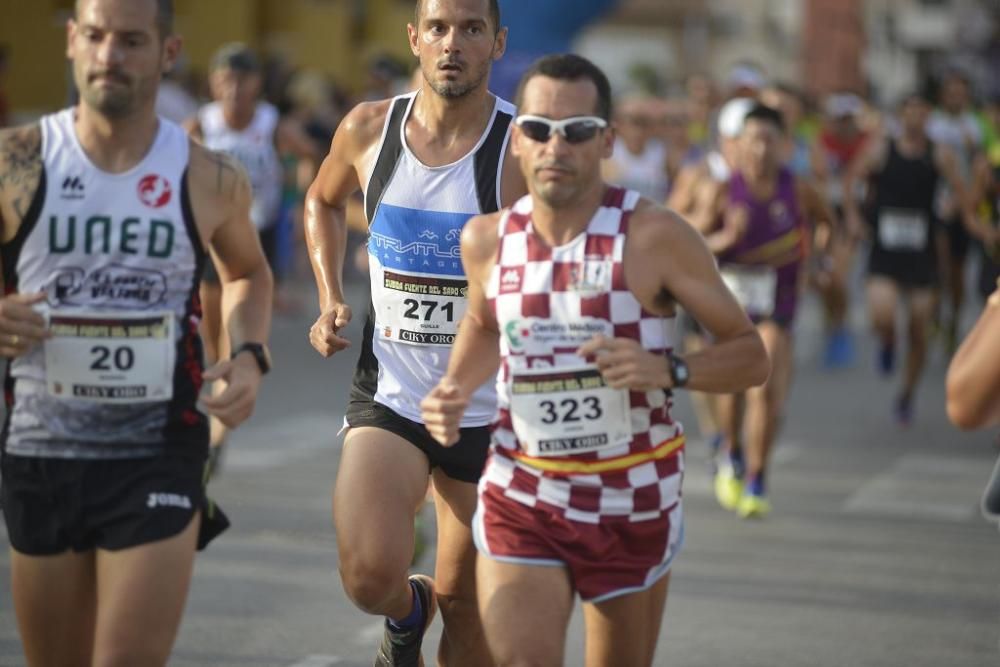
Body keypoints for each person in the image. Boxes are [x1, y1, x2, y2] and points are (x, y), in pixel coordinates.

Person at [421, 53, 769, 667]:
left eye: (577, 131)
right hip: (522, 489)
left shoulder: (654, 236)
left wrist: (669, 370)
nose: (556, 147)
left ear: (606, 140)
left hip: (629, 496)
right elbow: (479, 324)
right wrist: (453, 387)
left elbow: (750, 356)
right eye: (537, 129)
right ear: (517, 140)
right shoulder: (487, 240)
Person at [0, 0, 273, 665]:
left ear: (168, 52)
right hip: (42, 451)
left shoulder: (209, 176)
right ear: (71, 42)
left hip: (160, 448)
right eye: (94, 37)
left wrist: (247, 354)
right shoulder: (18, 162)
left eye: (130, 41)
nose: (108, 56)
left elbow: (247, 273)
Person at [304, 0, 524, 664]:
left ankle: (442, 609)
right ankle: (408, 612)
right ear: (415, 39)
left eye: (471, 29)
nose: (452, 43)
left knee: (471, 615)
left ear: (497, 43)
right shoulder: (369, 128)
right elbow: (321, 198)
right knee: (370, 575)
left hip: (491, 413)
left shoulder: (522, 150)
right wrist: (328, 295)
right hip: (392, 394)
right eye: (438, 28)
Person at [701, 103, 835, 517]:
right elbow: (694, 244)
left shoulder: (798, 188)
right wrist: (727, 236)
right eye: (752, 140)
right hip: (729, 304)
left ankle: (757, 478)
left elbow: (827, 221)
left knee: (766, 386)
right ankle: (731, 448)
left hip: (778, 303)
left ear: (783, 146)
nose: (760, 149)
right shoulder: (722, 190)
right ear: (738, 146)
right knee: (733, 391)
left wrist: (819, 261)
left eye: (769, 140)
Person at [185, 43, 313, 471]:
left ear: (256, 85)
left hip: (255, 236)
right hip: (210, 236)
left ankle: (217, 433)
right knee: (209, 329)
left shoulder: (272, 124)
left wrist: (297, 200)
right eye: (225, 80)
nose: (234, 90)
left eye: (242, 81)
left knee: (237, 338)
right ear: (214, 83)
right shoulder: (200, 125)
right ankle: (213, 407)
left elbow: (312, 156)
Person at [844, 92, 979, 424]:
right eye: (910, 113)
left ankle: (906, 394)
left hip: (922, 250)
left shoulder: (940, 154)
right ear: (900, 115)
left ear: (928, 117)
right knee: (882, 315)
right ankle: (887, 342)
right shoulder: (881, 149)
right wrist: (854, 218)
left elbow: (962, 193)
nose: (915, 120)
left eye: (922, 113)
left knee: (919, 328)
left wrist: (957, 211)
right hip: (885, 248)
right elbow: (851, 181)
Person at [810, 92, 872, 368]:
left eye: (849, 119)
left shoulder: (867, 144)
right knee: (824, 279)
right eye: (839, 119)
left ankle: (840, 327)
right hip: (824, 216)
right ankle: (832, 320)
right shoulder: (820, 143)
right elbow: (818, 174)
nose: (844, 125)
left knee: (838, 277)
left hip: (851, 217)